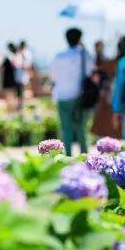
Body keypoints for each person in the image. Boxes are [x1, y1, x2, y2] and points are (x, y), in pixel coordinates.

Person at [50, 27, 94, 155]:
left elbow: (53, 76)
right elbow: (90, 71)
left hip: (62, 95)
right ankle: (85, 156)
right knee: (81, 129)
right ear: (80, 39)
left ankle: (67, 156)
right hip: (80, 95)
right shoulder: (84, 55)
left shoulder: (59, 56)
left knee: (66, 129)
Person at [91, 40, 119, 138]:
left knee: (105, 121)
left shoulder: (103, 61)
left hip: (104, 95)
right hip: (99, 96)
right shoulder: (95, 61)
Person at [1, 42, 19, 108]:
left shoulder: (9, 56)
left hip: (9, 78)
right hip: (11, 78)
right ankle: (11, 109)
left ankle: (11, 109)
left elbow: (2, 67)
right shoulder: (14, 56)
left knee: (9, 95)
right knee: (11, 95)